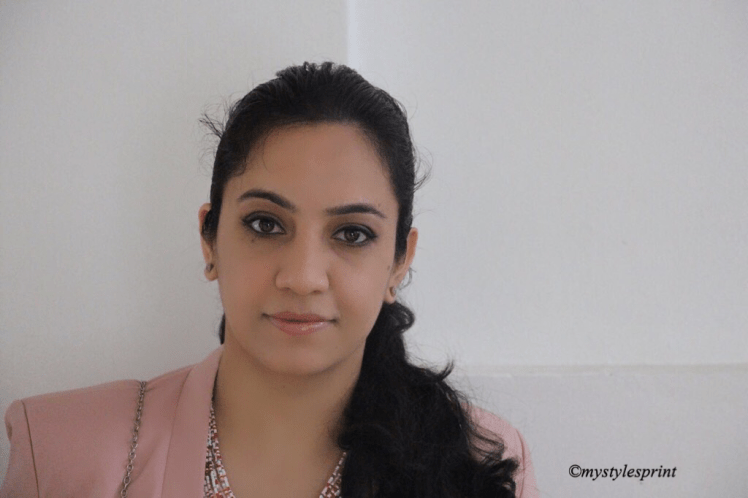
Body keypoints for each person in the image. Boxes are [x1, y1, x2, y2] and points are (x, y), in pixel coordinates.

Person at [1, 62, 538, 498]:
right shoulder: (59, 450)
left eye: (352, 234)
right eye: (265, 224)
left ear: (399, 262)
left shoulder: (482, 464)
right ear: (210, 240)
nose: (302, 278)